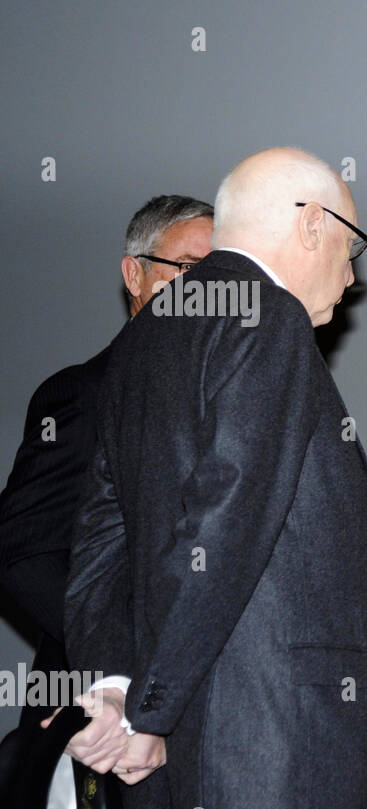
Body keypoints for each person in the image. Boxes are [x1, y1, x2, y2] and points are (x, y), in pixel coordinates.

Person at [60, 147, 367, 809]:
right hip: (275, 765)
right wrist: (148, 709)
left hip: (177, 779)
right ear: (311, 227)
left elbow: (100, 549)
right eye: (350, 244)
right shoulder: (271, 321)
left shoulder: (145, 335)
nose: (353, 272)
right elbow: (228, 523)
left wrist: (119, 692)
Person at [0, 195, 213, 732]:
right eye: (188, 269)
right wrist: (129, 668)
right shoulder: (87, 394)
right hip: (99, 714)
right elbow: (24, 554)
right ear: (134, 274)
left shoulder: (229, 407)